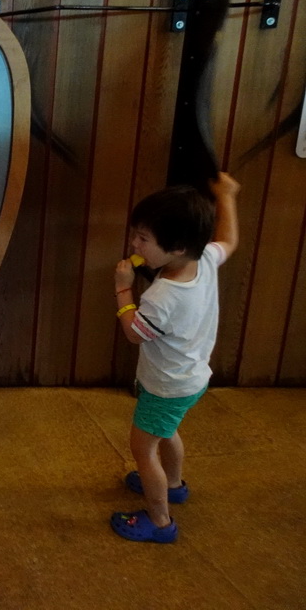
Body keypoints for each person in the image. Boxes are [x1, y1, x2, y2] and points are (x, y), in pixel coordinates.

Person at [110, 172, 240, 543]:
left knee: (142, 449)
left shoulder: (162, 297)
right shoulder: (206, 260)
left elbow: (134, 333)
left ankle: (160, 521)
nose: (134, 243)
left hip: (165, 386)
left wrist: (123, 290)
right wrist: (227, 196)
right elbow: (228, 239)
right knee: (166, 431)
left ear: (179, 246)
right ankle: (174, 483)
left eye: (143, 239)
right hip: (192, 379)